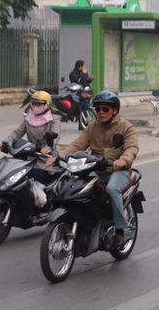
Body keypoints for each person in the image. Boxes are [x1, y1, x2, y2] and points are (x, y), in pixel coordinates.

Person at [50, 90, 139, 249]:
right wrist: (61, 155)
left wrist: (123, 160)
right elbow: (78, 144)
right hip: (95, 168)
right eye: (98, 109)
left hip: (118, 170)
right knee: (72, 184)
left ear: (115, 110)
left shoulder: (126, 127)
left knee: (112, 189)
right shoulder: (92, 126)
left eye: (106, 109)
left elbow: (131, 148)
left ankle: (119, 230)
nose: (101, 112)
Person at [0, 91, 60, 183]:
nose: (36, 106)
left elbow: (55, 136)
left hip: (46, 157)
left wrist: (47, 148)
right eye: (34, 103)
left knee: (38, 180)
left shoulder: (54, 120)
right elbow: (17, 133)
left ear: (47, 104)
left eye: (39, 104)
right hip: (30, 155)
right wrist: (3, 142)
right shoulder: (29, 118)